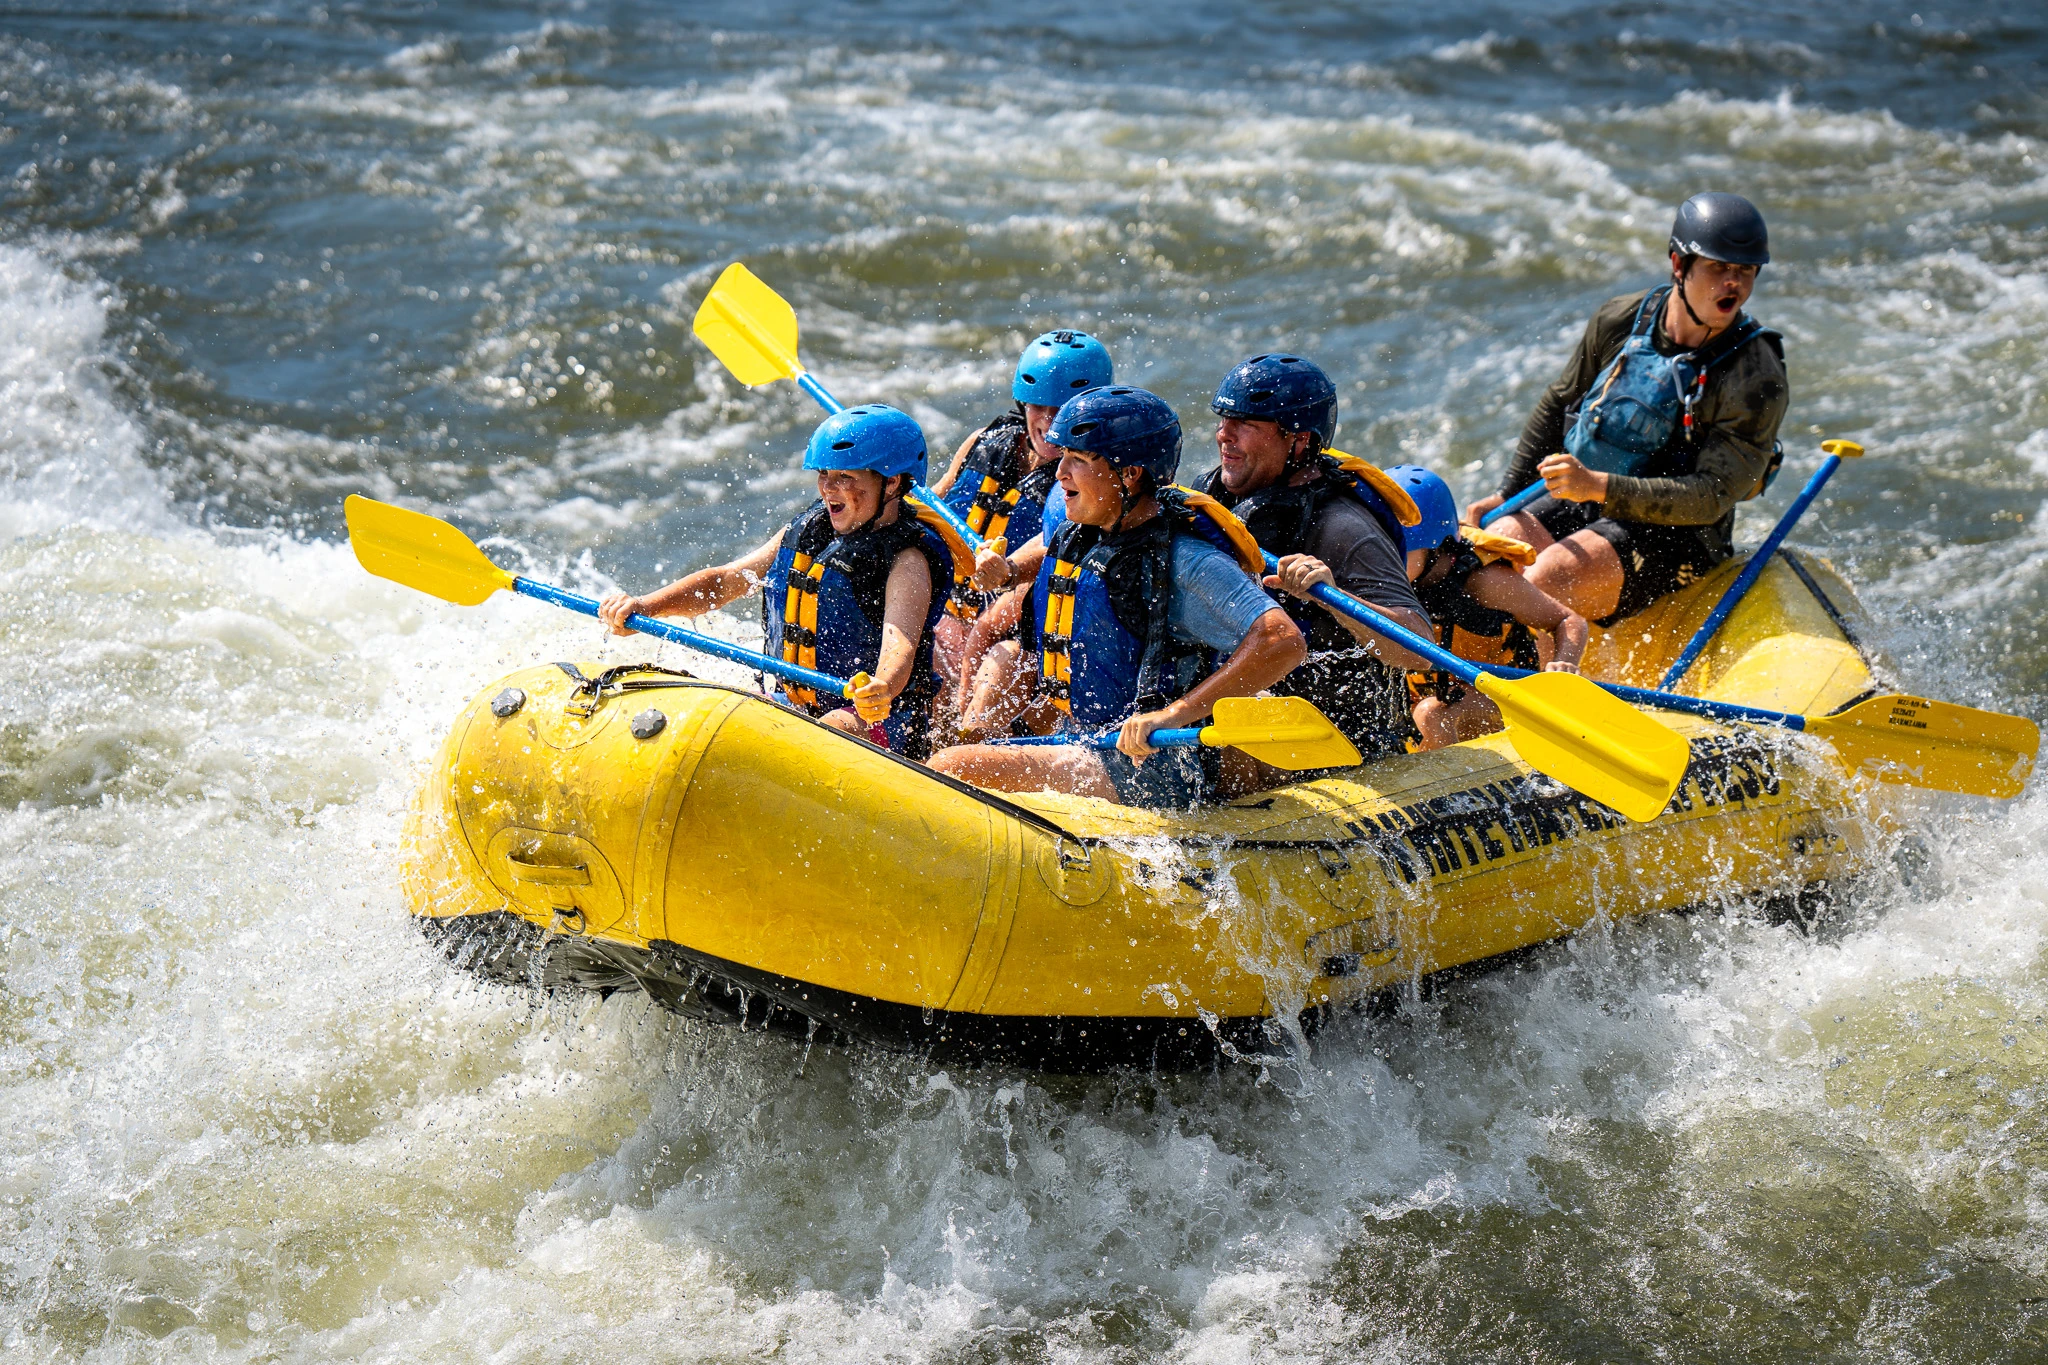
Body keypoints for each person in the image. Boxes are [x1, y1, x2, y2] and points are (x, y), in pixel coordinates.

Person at [928, 386, 1305, 808]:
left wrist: (1173, 714)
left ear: (1130, 475)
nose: (1059, 473)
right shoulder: (1087, 533)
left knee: (952, 767)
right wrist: (1011, 569)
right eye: (1064, 455)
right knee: (966, 724)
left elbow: (1282, 639)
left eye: (1080, 460)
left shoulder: (1184, 561)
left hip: (1156, 764)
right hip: (1091, 740)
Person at [1469, 192, 1788, 627]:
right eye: (1718, 268)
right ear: (1679, 265)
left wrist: (1600, 487)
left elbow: (1712, 495)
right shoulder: (1621, 319)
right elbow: (1560, 400)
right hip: (1589, 495)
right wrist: (1509, 491)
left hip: (1680, 534)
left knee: (1546, 578)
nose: (1733, 283)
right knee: (1495, 549)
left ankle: (1540, 680)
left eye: (1745, 271)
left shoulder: (1755, 375)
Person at [597, 404, 969, 758]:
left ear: (891, 484)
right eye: (824, 474)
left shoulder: (907, 559)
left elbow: (899, 646)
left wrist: (882, 687)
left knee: (836, 726)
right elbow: (727, 581)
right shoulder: (811, 529)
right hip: (792, 698)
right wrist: (648, 607)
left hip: (872, 716)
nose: (828, 488)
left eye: (845, 477)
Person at [1194, 354, 1435, 766]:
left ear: (1299, 440)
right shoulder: (1214, 496)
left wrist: (1331, 596)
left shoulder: (1343, 527)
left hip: (1336, 740)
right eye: (1224, 419)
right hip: (1248, 703)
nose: (1224, 435)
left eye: (1247, 424)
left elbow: (1420, 649)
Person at [927, 330, 1113, 689]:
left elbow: (1055, 553)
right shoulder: (983, 441)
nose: (1046, 420)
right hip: (944, 609)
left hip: (1009, 629)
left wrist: (1007, 572)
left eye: (1060, 410)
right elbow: (931, 500)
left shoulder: (1089, 481)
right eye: (1036, 405)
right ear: (1021, 403)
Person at [1388, 465, 1589, 749]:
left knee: (1433, 715)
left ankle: (1448, 791)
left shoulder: (1485, 582)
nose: (1383, 564)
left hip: (1507, 698)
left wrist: (1565, 663)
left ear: (1435, 546)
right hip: (1436, 693)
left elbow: (1568, 620)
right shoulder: (1392, 575)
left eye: (1396, 552)